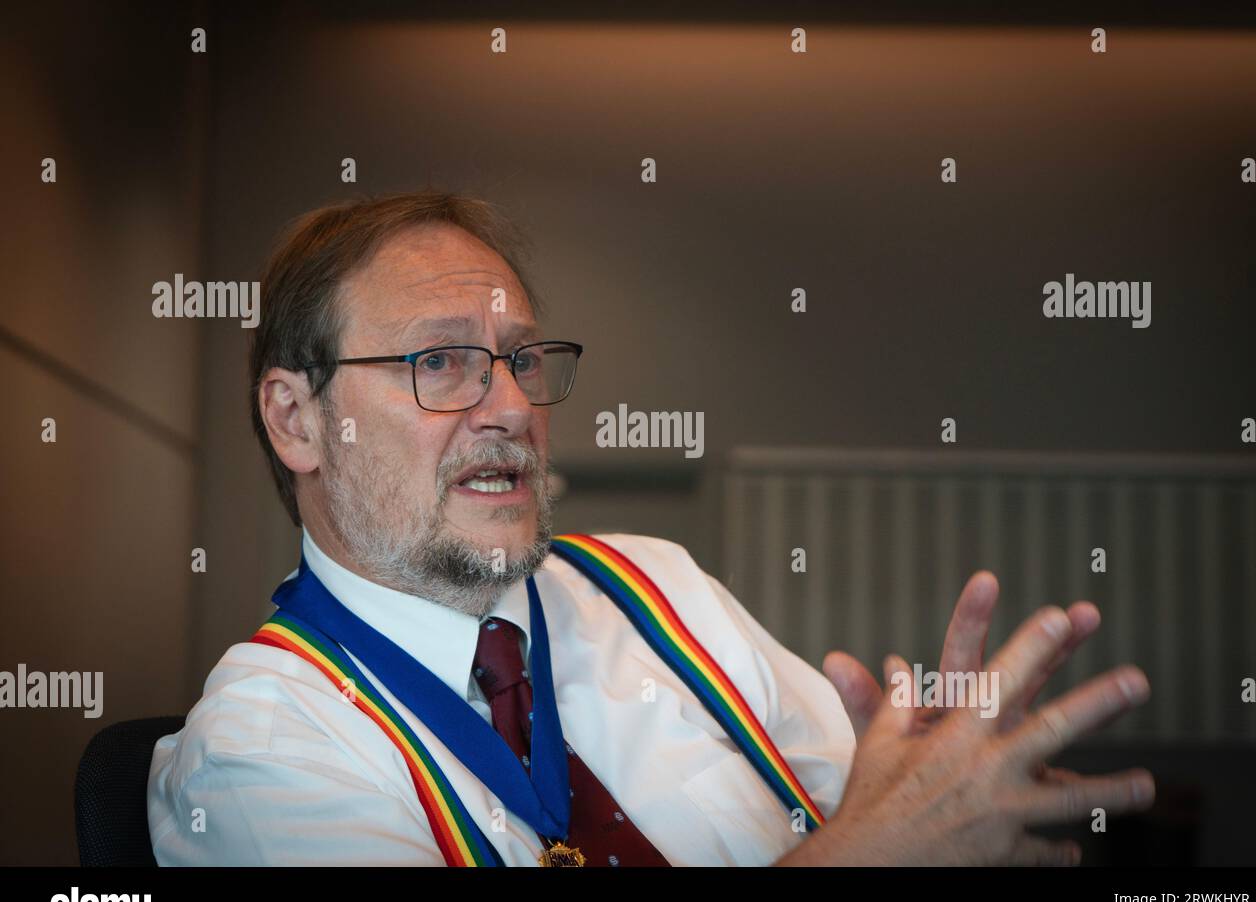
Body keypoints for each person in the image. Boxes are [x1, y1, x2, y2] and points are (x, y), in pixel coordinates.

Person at [147, 190, 1155, 866]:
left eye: (520, 358)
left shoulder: (653, 586)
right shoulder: (258, 754)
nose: (507, 406)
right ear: (297, 420)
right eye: (439, 362)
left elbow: (893, 811)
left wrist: (956, 788)